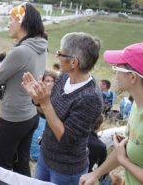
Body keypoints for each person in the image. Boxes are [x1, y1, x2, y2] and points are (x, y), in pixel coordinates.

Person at [80, 42, 143, 185]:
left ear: (133, 77)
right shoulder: (139, 105)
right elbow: (123, 147)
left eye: (117, 68)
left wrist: (124, 160)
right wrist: (96, 174)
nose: (115, 73)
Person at [22, 32, 103, 184]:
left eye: (60, 53)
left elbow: (66, 140)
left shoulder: (90, 97)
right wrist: (37, 100)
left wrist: (45, 102)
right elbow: (49, 115)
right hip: (45, 156)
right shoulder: (64, 77)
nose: (57, 56)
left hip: (65, 170)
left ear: (74, 62)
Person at [0, 2, 47, 176]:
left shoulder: (21, 51)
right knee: (21, 164)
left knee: (1, 166)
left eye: (10, 20)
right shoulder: (40, 46)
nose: (8, 24)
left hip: (12, 118)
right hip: (29, 114)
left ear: (21, 23)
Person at [30, 70, 57, 161]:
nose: (50, 84)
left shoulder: (57, 98)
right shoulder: (36, 97)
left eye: (52, 81)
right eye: (47, 81)